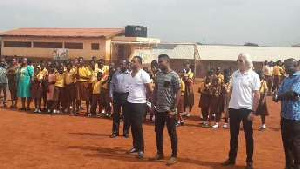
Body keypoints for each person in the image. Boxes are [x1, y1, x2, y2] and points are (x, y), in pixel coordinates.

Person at [222, 53, 260, 169]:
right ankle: (232, 159)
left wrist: (253, 112)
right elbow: (230, 92)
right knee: (233, 135)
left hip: (246, 109)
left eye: (241, 61)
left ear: (247, 62)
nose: (238, 62)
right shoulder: (235, 74)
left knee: (248, 136)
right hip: (234, 108)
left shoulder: (254, 76)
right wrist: (227, 108)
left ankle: (249, 161)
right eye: (237, 60)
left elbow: (257, 95)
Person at [151, 54, 181, 165]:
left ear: (167, 61)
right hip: (159, 109)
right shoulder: (158, 75)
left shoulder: (174, 76)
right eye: (158, 62)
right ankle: (160, 153)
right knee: (158, 132)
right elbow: (156, 89)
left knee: (172, 132)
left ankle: (174, 155)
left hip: (170, 110)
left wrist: (174, 107)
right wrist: (153, 104)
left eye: (161, 61)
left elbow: (178, 91)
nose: (159, 63)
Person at [276, 59, 300, 169]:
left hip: (296, 117)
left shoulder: (298, 78)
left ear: (294, 66)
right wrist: (280, 96)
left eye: (286, 66)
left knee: (295, 144)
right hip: (285, 116)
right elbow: (279, 93)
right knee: (286, 144)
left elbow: (293, 93)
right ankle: (289, 166)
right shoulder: (286, 79)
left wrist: (279, 97)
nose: (284, 68)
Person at [126, 56, 151, 159]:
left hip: (139, 103)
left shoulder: (144, 75)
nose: (131, 63)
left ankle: (141, 149)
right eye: (131, 61)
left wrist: (146, 100)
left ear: (139, 63)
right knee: (132, 125)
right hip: (130, 102)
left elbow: (149, 89)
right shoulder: (129, 74)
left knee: (138, 126)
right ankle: (135, 146)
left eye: (134, 61)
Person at [109, 60, 131, 138]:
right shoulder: (116, 73)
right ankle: (115, 132)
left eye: (123, 64)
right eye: (121, 64)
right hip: (117, 96)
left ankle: (126, 132)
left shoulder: (130, 74)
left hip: (126, 96)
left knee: (126, 115)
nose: (121, 65)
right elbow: (112, 84)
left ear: (127, 65)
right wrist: (110, 94)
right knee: (116, 115)